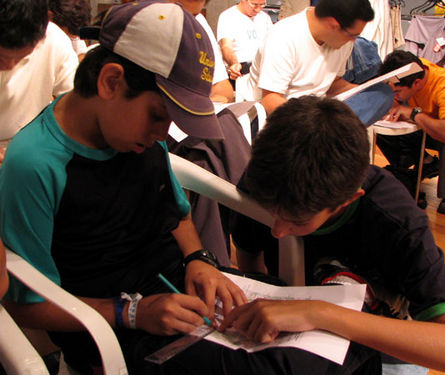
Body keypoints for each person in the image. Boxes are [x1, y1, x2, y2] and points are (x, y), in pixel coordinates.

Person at [0, 3, 345, 374]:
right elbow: (24, 304)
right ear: (111, 81)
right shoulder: (35, 163)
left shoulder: (136, 136)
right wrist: (131, 313)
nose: (163, 135)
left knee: (328, 335)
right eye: (159, 115)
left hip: (180, 295)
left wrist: (200, 259)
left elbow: (176, 213)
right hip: (111, 328)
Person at [226, 96, 445, 374]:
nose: (277, 231)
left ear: (347, 200)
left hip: (385, 345)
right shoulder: (265, 181)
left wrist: (319, 313)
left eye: (296, 221)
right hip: (294, 333)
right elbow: (250, 255)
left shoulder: (396, 220)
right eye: (269, 214)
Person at [240, 0, 393, 125]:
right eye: (351, 35)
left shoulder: (343, 42)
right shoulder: (284, 35)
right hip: (281, 118)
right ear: (333, 24)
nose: (353, 41)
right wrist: (314, 120)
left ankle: (329, 136)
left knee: (382, 93)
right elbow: (270, 100)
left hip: (318, 112)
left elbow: (333, 84)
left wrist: (363, 90)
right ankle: (328, 136)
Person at [377, 50, 445, 215]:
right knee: (382, 127)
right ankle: (425, 165)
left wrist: (412, 113)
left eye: (397, 92)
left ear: (417, 83)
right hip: (426, 127)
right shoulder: (411, 68)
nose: (394, 95)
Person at [0, 0, 79, 163]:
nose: (10, 66)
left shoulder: (56, 41)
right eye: (2, 57)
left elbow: (74, 103)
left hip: (30, 149)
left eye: (21, 56)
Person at [168, 0, 234, 103]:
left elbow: (223, 89)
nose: (187, 22)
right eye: (179, 12)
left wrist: (206, 105)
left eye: (193, 16)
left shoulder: (198, 22)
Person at [216, 0, 272, 84]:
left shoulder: (264, 17)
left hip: (263, 68)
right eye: (254, 5)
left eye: (262, 5)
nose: (258, 9)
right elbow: (226, 46)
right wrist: (234, 63)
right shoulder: (228, 16)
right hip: (242, 68)